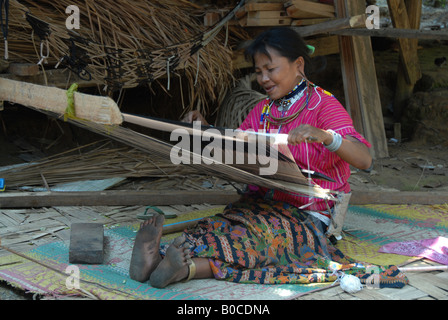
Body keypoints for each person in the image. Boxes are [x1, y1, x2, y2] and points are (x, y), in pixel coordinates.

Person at [129, 27, 408, 289]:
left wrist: (326, 136)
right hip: (260, 206)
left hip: (310, 215)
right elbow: (236, 149)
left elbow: (365, 160)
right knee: (221, 227)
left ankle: (185, 268)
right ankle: (157, 261)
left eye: (271, 69)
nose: (263, 79)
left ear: (298, 65)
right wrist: (205, 131)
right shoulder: (263, 110)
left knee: (264, 242)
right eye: (259, 71)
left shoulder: (323, 104)